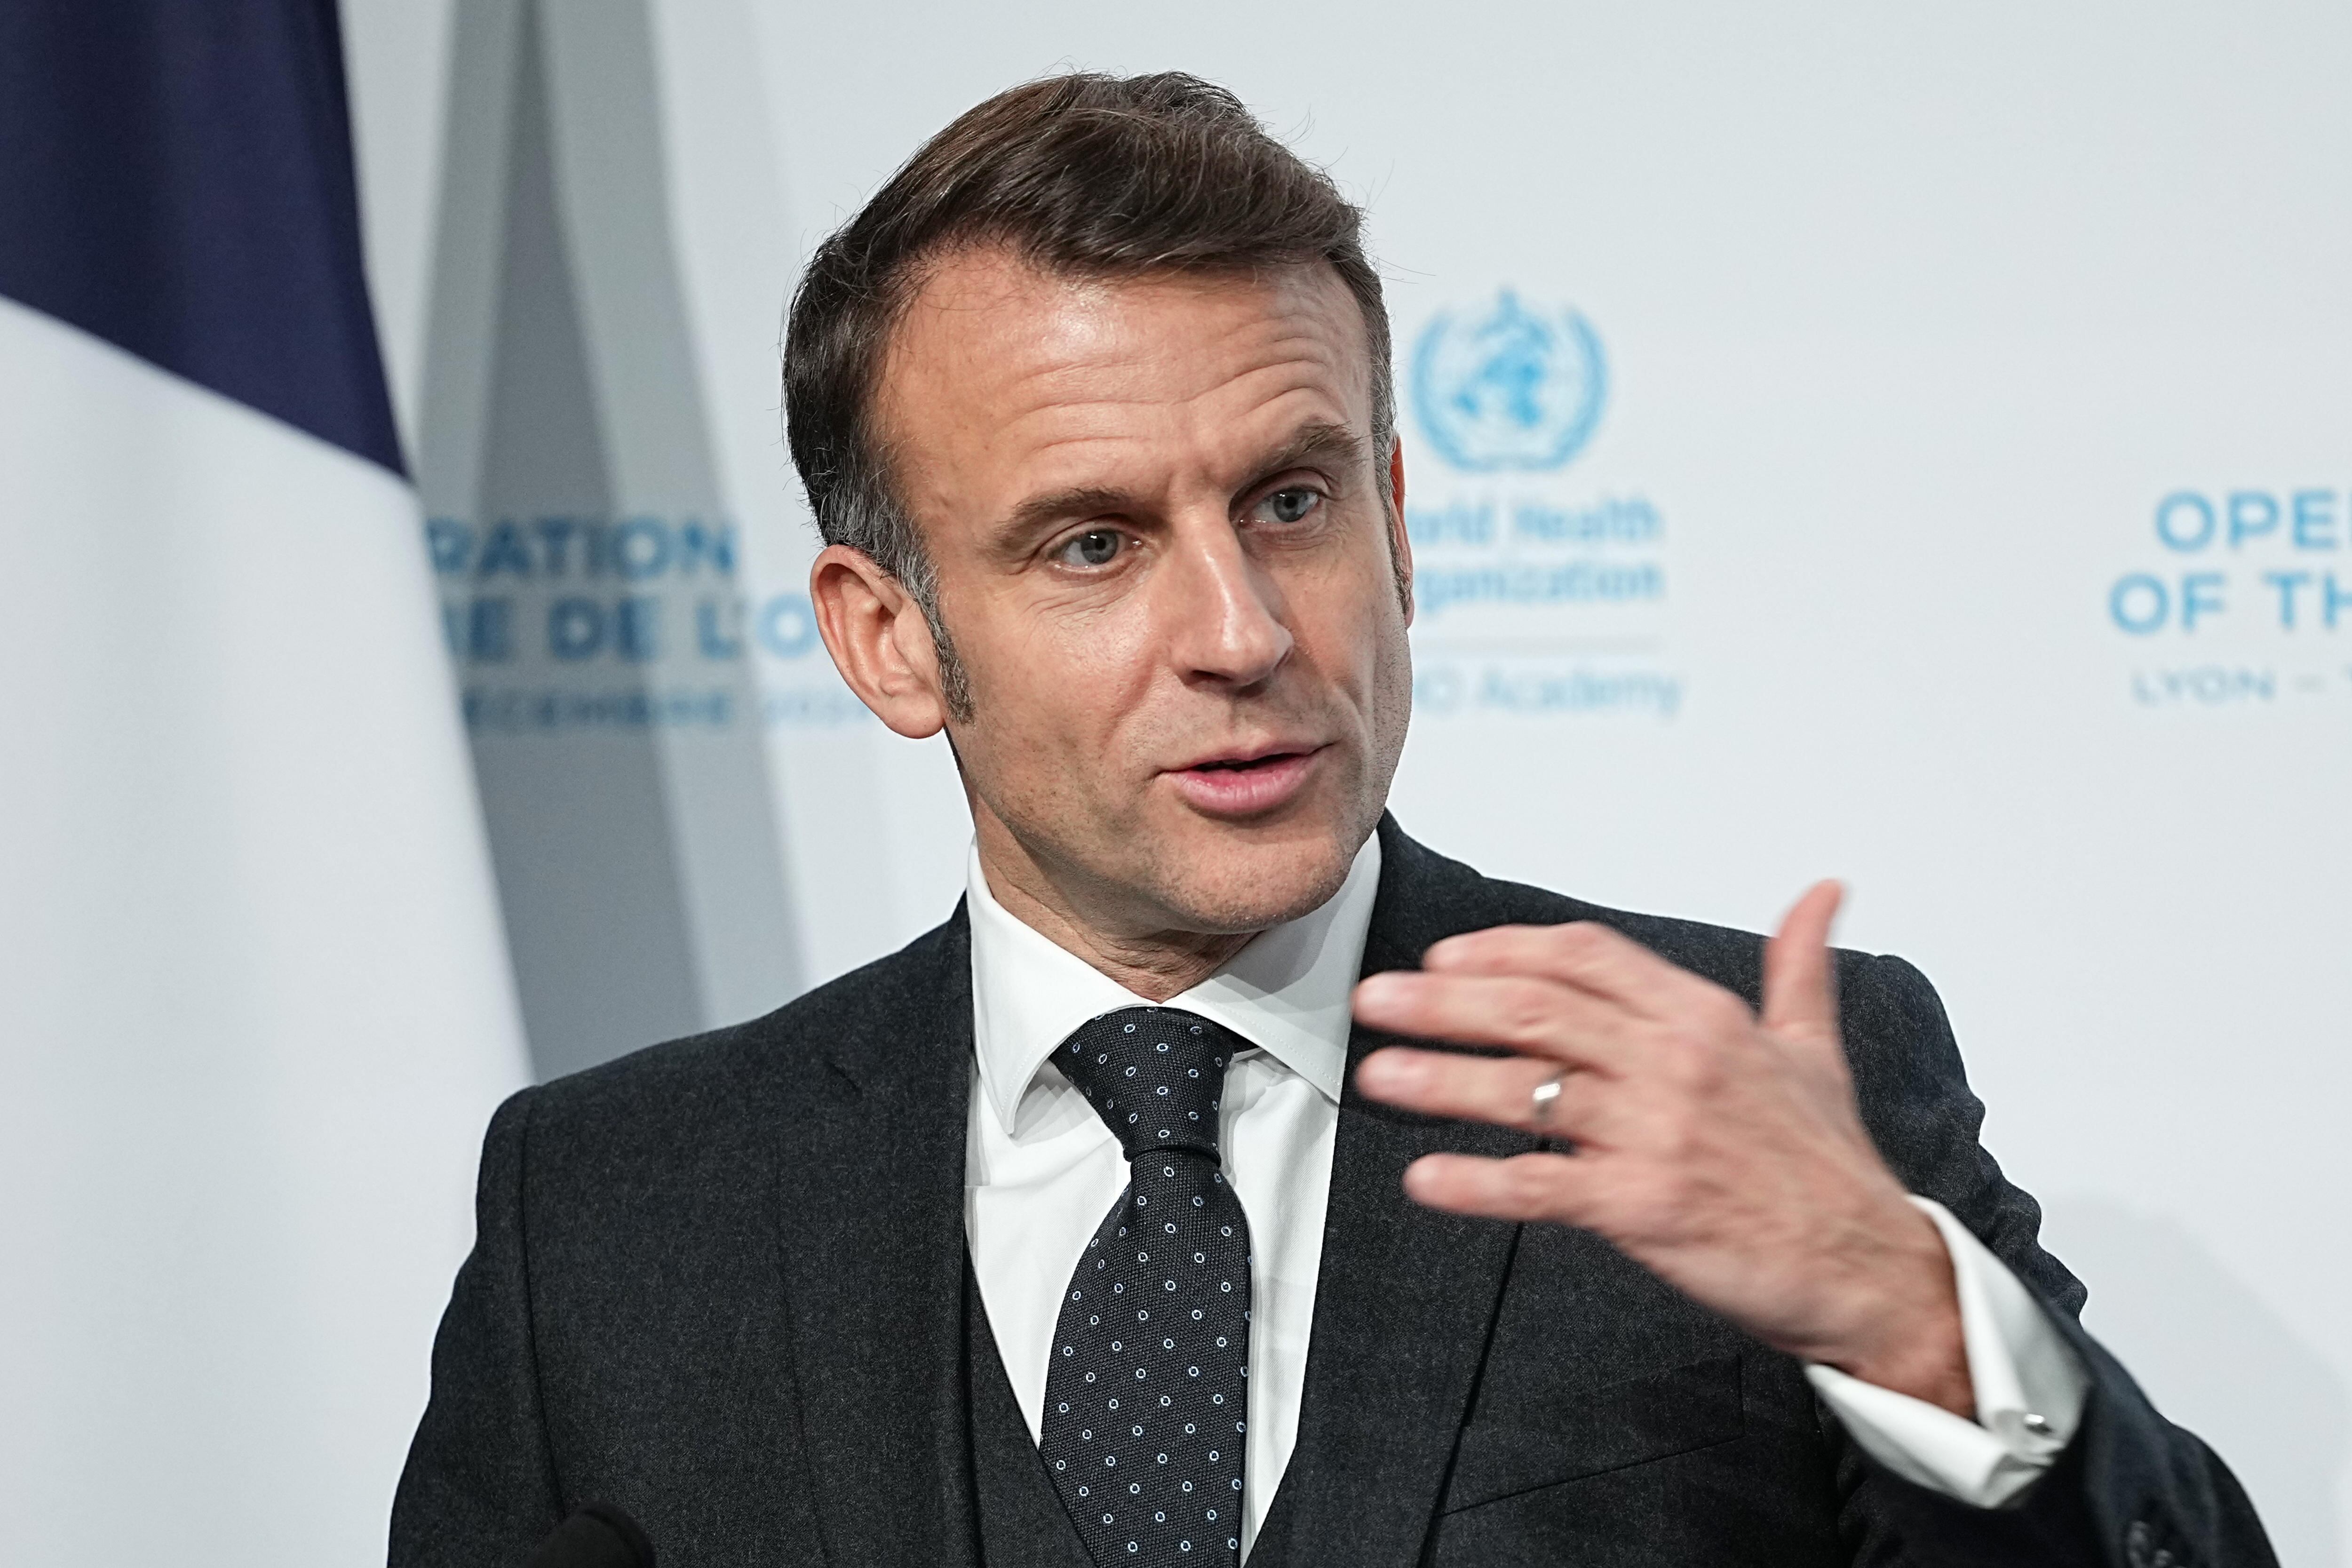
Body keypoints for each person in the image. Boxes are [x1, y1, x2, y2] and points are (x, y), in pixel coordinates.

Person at [391, 73, 2272, 1568]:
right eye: (1092, 543)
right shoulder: (616, 1215)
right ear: (888, 641)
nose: (1238, 634)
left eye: (1291, 503)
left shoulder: (1765, 1087)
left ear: (1393, 515)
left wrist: (1897, 1310)